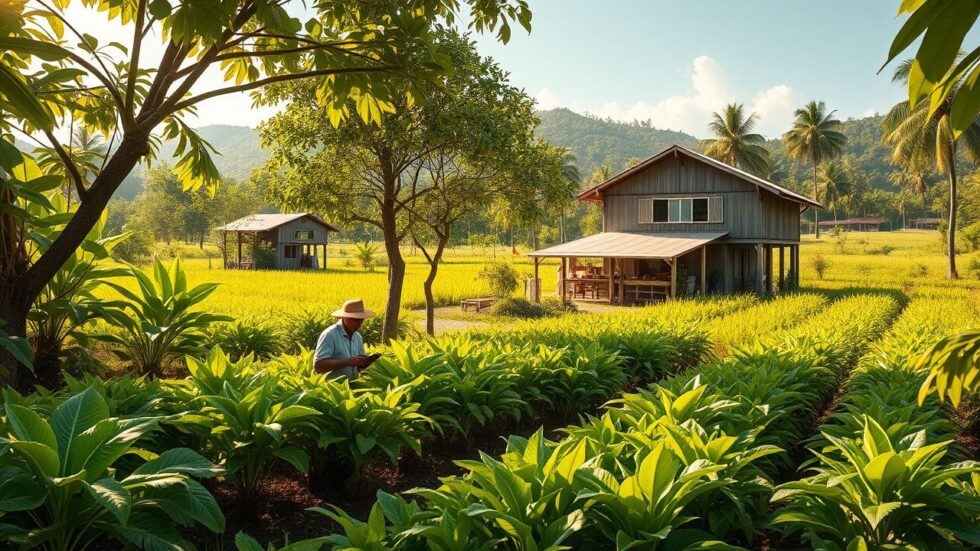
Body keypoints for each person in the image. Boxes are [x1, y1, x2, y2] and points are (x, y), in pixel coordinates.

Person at [313, 299, 375, 380]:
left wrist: (364, 362)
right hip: (332, 390)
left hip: (352, 389)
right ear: (345, 317)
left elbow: (359, 368)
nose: (359, 324)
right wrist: (348, 362)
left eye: (361, 321)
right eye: (356, 320)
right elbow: (318, 366)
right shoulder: (330, 335)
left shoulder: (357, 337)